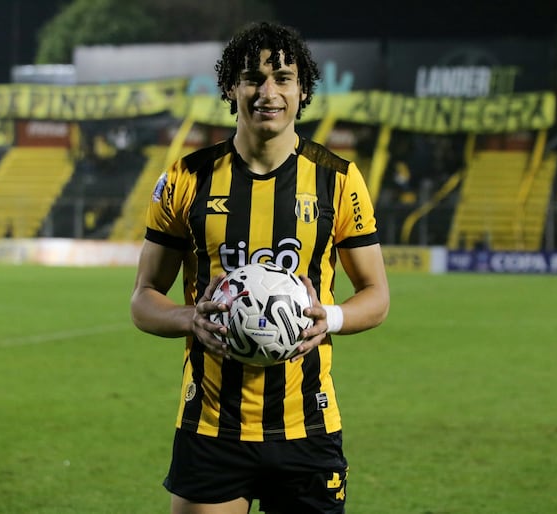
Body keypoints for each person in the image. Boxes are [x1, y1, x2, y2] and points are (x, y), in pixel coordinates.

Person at [130, 21, 390, 514]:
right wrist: (192, 318)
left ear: (303, 89)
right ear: (230, 87)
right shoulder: (186, 179)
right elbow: (143, 298)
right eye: (252, 77)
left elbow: (376, 294)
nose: (268, 92)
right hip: (212, 424)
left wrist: (328, 319)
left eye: (283, 78)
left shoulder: (338, 179)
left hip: (307, 425)